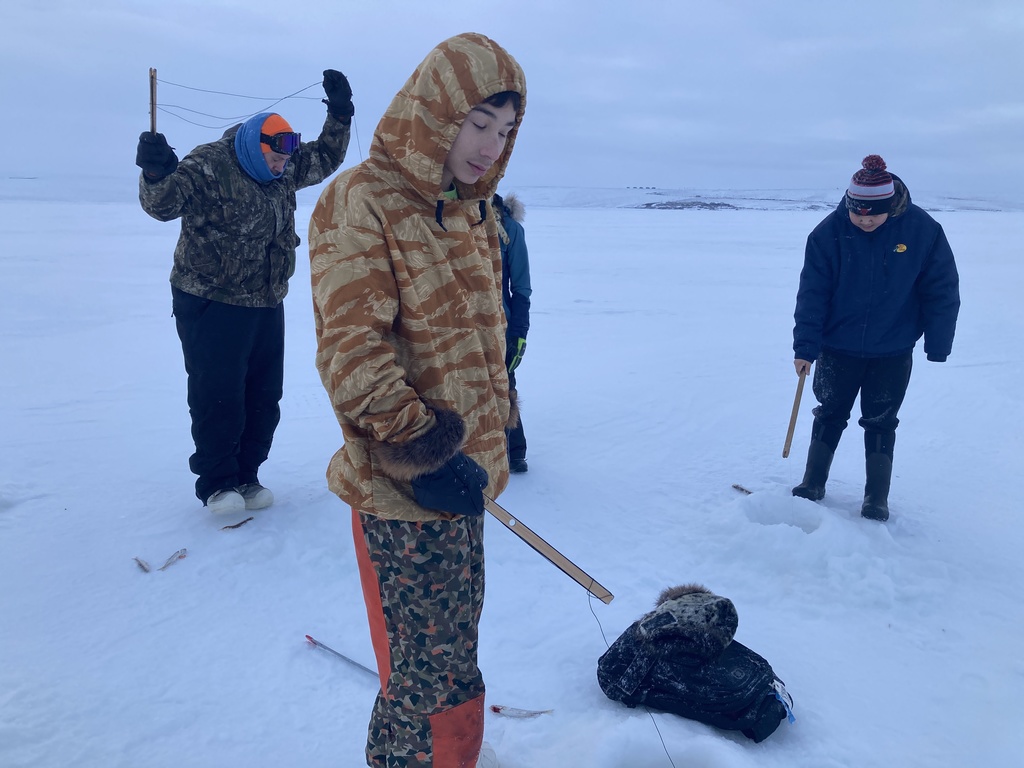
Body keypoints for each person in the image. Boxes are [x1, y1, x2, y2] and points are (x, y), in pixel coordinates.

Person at [308, 33, 525, 768]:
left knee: (454, 650)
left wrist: (490, 444)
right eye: (477, 124)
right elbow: (351, 351)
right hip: (404, 489)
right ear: (434, 113)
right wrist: (419, 450)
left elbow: (479, 345)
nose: (490, 146)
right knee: (426, 676)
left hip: (462, 480)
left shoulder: (471, 212)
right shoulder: (360, 200)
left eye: (503, 130)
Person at [137, 70, 354, 514]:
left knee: (263, 395)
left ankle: (248, 475)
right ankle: (218, 483)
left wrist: (341, 113)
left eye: (284, 164)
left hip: (265, 300)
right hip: (210, 300)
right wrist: (157, 172)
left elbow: (326, 156)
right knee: (219, 394)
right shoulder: (210, 164)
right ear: (257, 146)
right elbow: (163, 205)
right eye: (275, 162)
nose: (282, 170)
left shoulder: (284, 166)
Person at [791, 155, 960, 521]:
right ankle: (813, 482)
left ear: (891, 207)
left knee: (881, 420)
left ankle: (875, 498)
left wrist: (938, 341)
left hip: (893, 348)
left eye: (874, 214)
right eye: (858, 213)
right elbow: (812, 294)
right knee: (830, 413)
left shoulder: (922, 231)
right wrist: (805, 346)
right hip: (837, 347)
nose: (865, 219)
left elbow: (941, 289)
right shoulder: (827, 234)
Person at [492, 191, 532, 474]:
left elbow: (521, 287)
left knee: (504, 385)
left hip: (501, 328)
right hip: (459, 324)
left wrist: (519, 331)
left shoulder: (509, 228)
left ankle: (512, 451)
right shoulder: (454, 219)